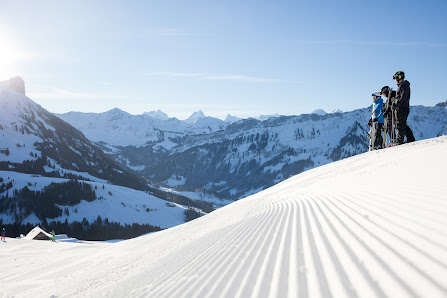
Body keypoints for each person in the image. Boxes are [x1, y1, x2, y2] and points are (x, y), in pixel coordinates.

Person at [392, 71, 415, 145]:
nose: (395, 80)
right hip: (402, 107)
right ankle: (410, 138)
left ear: (399, 77)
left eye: (395, 78)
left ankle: (399, 141)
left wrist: (396, 104)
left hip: (401, 108)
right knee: (402, 124)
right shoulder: (403, 85)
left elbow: (403, 97)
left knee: (400, 124)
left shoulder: (403, 85)